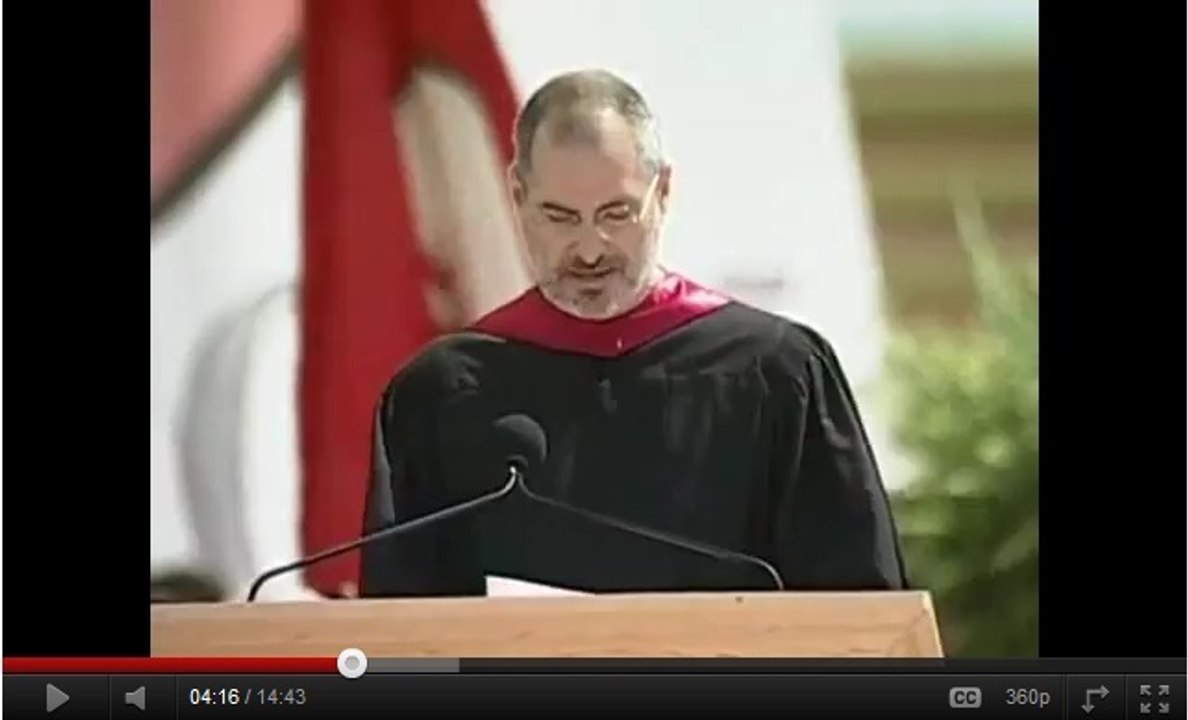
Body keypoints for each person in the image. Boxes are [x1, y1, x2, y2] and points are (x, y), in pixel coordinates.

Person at [359, 69, 907, 597]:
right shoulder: (439, 395)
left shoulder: (777, 373)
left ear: (663, 191)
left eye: (616, 213)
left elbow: (860, 616)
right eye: (560, 216)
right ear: (518, 197)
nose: (591, 249)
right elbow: (403, 645)